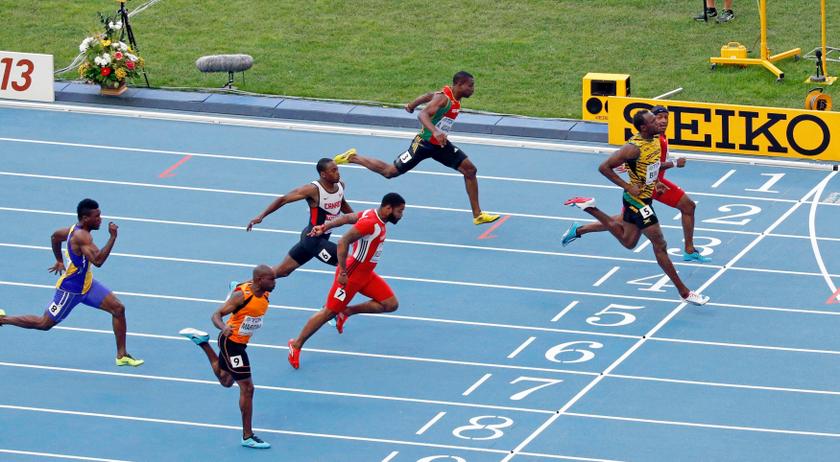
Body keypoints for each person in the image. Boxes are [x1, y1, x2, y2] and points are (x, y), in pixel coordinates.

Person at [564, 110, 709, 306]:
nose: (659, 123)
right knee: (660, 245)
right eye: (653, 121)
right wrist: (628, 186)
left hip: (646, 195)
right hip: (637, 201)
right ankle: (684, 292)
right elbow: (604, 167)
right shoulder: (633, 148)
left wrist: (657, 181)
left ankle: (589, 208)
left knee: (629, 242)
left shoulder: (656, 139)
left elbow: (652, 165)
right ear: (643, 128)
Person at [331, 71, 500, 226]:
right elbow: (423, 115)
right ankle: (353, 157)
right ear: (460, 84)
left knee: (470, 170)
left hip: (440, 145)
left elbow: (428, 95)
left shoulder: (448, 95)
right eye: (470, 85)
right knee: (390, 172)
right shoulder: (444, 99)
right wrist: (435, 130)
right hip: (424, 144)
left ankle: (477, 215)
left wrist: (412, 104)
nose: (473, 89)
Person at [0, 198, 143, 366]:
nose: (101, 219)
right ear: (85, 218)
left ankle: (122, 355)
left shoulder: (71, 230)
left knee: (118, 309)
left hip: (87, 285)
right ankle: (3, 319)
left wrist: (59, 260)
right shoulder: (82, 236)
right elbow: (98, 261)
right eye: (97, 216)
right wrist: (113, 237)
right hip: (71, 290)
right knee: (44, 323)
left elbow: (54, 237)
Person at [287, 193, 405, 369]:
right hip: (351, 274)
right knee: (328, 312)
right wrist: (342, 270)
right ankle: (296, 344)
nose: (401, 215)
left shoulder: (373, 215)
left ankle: (346, 312)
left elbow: (348, 217)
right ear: (388, 208)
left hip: (366, 274)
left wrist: (325, 227)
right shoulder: (370, 222)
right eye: (399, 211)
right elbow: (343, 241)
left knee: (390, 304)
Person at [179, 264, 276, 449]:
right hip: (231, 344)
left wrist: (235, 285)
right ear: (259, 280)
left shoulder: (263, 290)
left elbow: (250, 283)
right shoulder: (242, 296)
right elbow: (216, 315)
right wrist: (224, 327)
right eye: (271, 279)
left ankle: (202, 343)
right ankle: (247, 436)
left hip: (240, 343)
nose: (275, 283)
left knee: (225, 380)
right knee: (247, 388)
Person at [246, 158, 353, 278]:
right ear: (323, 174)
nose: (338, 173)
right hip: (313, 240)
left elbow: (342, 203)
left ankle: (240, 286)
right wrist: (261, 216)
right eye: (333, 171)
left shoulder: (340, 186)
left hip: (319, 238)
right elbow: (283, 199)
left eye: (337, 169)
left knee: (282, 271)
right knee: (350, 264)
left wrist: (358, 219)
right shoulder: (313, 190)